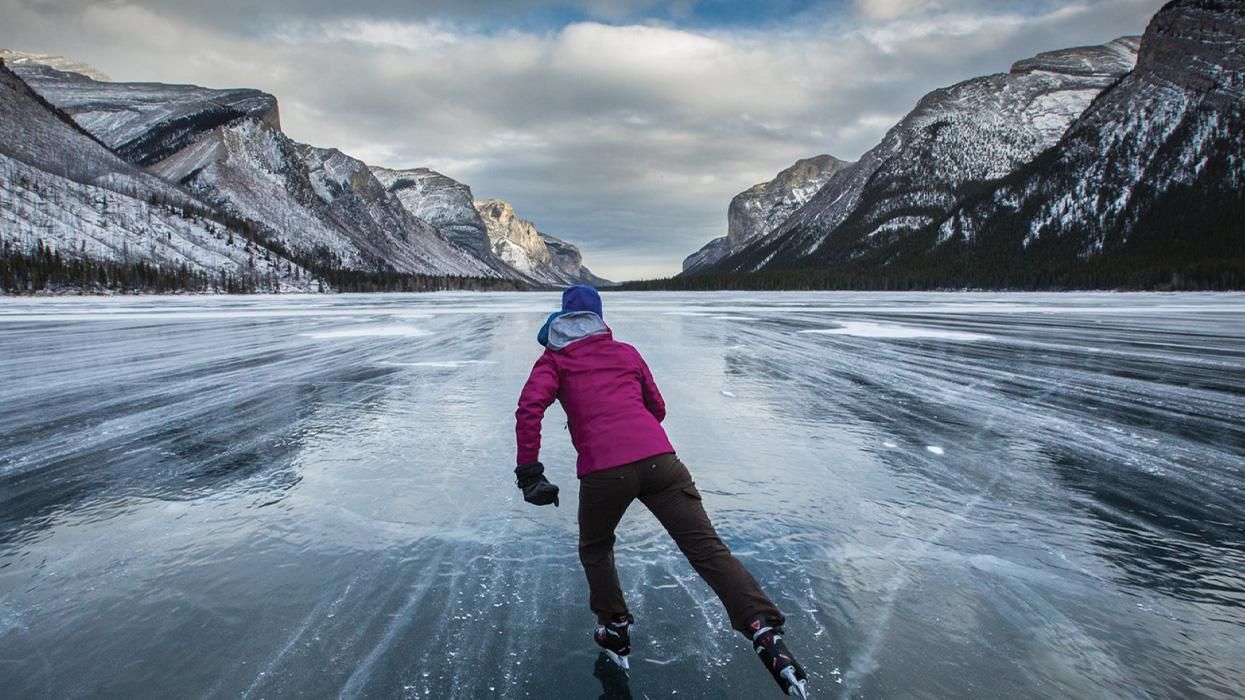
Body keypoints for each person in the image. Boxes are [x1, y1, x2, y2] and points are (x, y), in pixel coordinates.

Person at [513, 285, 809, 697]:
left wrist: (529, 471)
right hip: (660, 462)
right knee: (707, 548)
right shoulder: (626, 352)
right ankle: (763, 629)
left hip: (604, 472)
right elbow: (658, 408)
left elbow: (529, 408)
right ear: (599, 318)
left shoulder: (554, 359)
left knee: (596, 547)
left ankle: (615, 627)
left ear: (562, 319)